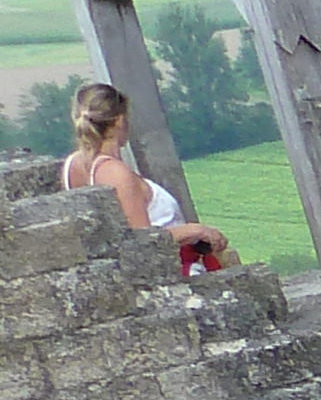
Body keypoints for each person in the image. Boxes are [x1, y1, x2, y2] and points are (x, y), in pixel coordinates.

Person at [57, 85, 235, 271]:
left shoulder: (71, 166)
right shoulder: (115, 173)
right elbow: (141, 241)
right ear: (119, 121)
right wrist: (194, 230)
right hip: (172, 271)